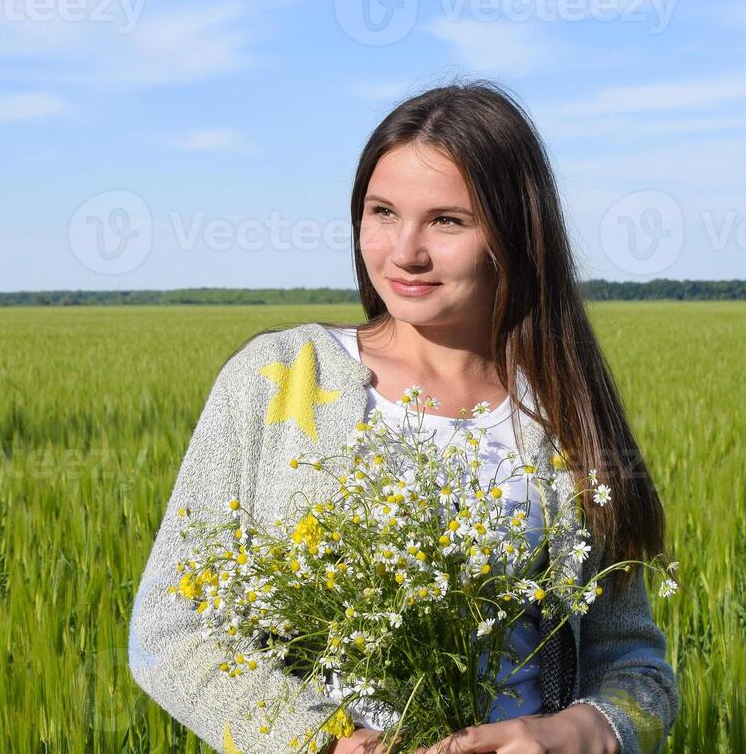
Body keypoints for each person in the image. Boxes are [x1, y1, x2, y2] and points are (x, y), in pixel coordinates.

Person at [129, 79, 679, 754]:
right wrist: (319, 742)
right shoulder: (280, 379)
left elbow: (637, 670)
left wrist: (577, 732)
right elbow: (169, 629)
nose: (404, 251)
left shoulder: (563, 413)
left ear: (515, 232)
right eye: (382, 212)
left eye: (447, 221)